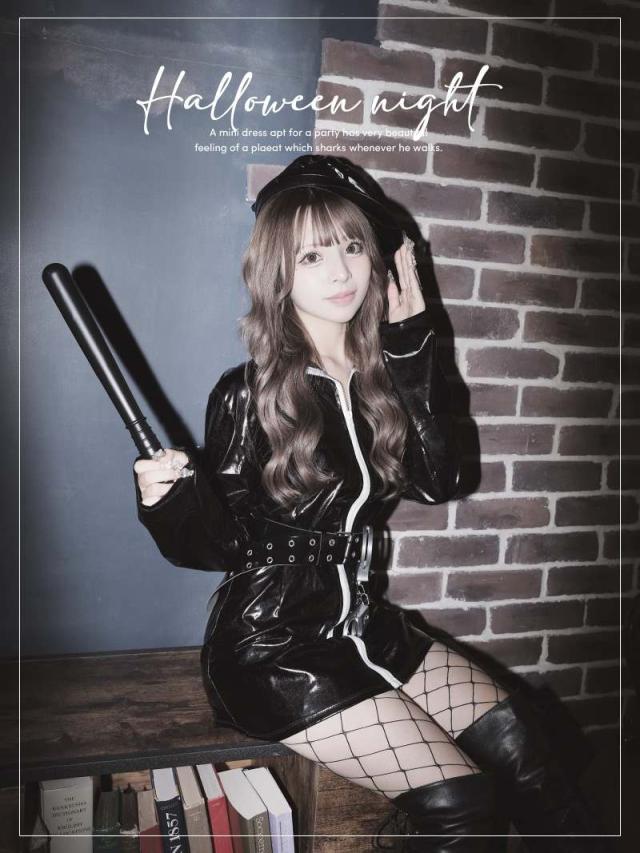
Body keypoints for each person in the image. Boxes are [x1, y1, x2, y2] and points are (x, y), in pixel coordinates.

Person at [133, 156, 610, 852]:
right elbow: (217, 546)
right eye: (313, 255)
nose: (341, 271)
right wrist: (168, 499)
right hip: (275, 649)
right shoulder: (248, 392)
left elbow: (439, 480)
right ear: (279, 273)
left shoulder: (380, 378)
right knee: (463, 805)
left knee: (530, 748)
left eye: (352, 246)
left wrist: (414, 348)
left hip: (364, 626)